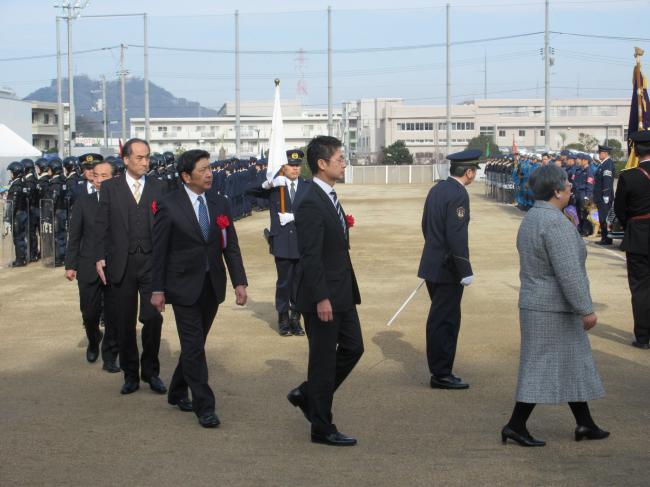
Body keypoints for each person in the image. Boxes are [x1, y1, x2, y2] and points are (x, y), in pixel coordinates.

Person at [502, 164, 607, 447]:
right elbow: (568, 272)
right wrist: (586, 308)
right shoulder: (555, 223)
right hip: (553, 308)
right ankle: (515, 425)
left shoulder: (533, 217)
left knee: (573, 362)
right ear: (557, 191)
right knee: (540, 366)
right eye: (567, 185)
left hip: (540, 303)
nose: (572, 188)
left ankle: (585, 423)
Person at [150, 149, 248, 428]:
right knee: (194, 346)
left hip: (211, 285)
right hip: (181, 286)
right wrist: (157, 289)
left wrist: (239, 281)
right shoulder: (169, 205)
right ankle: (205, 406)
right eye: (203, 169)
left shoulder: (219, 202)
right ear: (185, 176)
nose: (209, 174)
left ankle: (177, 390)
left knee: (195, 344)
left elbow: (230, 244)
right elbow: (159, 252)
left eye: (210, 168)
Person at [287, 135, 363, 446]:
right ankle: (322, 426)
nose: (344, 163)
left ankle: (307, 394)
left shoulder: (327, 194)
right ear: (322, 164)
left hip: (342, 289)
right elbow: (310, 254)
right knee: (322, 361)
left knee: (353, 348)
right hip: (323, 295)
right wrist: (321, 297)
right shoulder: (309, 200)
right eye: (339, 159)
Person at [94, 138, 168, 395]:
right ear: (125, 160)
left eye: (147, 156)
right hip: (121, 264)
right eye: (139, 157)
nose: (145, 162)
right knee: (124, 323)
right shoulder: (110, 188)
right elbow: (101, 226)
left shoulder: (160, 187)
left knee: (152, 318)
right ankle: (130, 374)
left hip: (151, 264)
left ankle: (151, 371)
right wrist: (99, 257)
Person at [417, 149, 480, 390]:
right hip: (448, 267)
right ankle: (441, 373)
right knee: (446, 320)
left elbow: (426, 226)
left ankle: (440, 369)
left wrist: (434, 251)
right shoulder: (458, 194)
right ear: (469, 172)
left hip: (433, 263)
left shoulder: (437, 189)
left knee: (440, 317)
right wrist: (464, 267)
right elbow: (456, 234)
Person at [65, 160, 119, 371]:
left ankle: (110, 356)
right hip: (87, 265)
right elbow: (75, 236)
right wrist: (70, 264)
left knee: (114, 314)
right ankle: (94, 338)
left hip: (115, 265)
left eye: (103, 176)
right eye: (95, 176)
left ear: (114, 178)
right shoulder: (83, 202)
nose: (98, 180)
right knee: (89, 313)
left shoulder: (122, 202)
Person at [256, 149, 310, 336]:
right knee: (284, 283)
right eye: (291, 165)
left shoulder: (308, 185)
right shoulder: (275, 189)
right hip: (282, 242)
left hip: (302, 243)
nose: (295, 169)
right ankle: (283, 318)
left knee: (299, 283)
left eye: (297, 165)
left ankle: (296, 318)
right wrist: (268, 183)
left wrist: (294, 216)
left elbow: (314, 211)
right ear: (283, 167)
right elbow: (249, 191)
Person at [614, 131, 650, 350]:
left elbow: (620, 210)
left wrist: (632, 225)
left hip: (638, 236)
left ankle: (643, 337)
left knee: (640, 288)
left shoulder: (629, 176)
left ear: (635, 151)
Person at [4, 162, 28, 267]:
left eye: (11, 172)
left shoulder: (16, 185)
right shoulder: (22, 183)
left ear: (15, 172)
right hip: (22, 213)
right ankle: (21, 258)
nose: (10, 174)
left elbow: (12, 204)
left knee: (18, 237)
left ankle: (20, 259)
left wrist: (8, 218)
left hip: (18, 215)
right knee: (20, 237)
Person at [593, 145, 616, 245]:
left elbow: (607, 180)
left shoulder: (608, 164)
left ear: (606, 153)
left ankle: (607, 238)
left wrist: (606, 194)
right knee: (602, 218)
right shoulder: (602, 164)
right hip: (600, 196)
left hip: (604, 196)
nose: (599, 154)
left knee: (604, 218)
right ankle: (604, 237)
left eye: (601, 153)